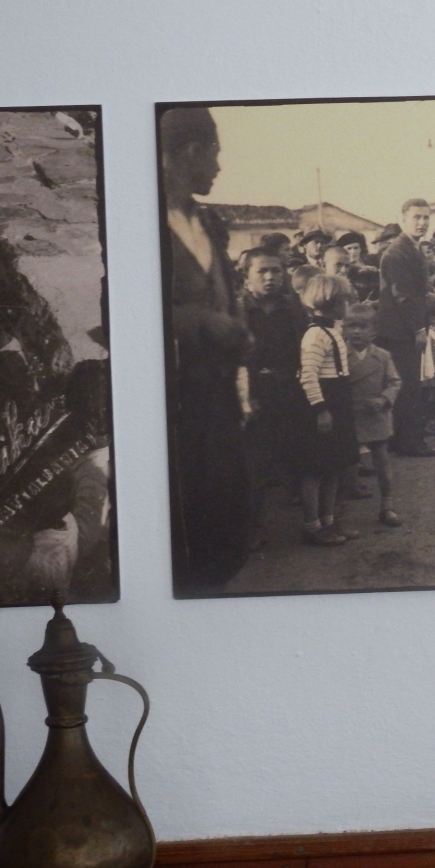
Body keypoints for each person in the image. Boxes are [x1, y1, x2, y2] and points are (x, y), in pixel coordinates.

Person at [159, 106, 252, 585]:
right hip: (173, 403)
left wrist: (237, 329)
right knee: (186, 526)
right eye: (215, 154)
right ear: (192, 151)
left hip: (217, 398)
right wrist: (197, 322)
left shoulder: (207, 222)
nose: (218, 166)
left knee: (227, 524)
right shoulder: (140, 221)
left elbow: (226, 290)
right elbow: (120, 314)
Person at [237, 247, 310, 548]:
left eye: (276, 271)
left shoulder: (294, 310)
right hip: (251, 396)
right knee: (253, 465)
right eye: (262, 271)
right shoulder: (238, 311)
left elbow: (304, 352)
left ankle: (311, 521)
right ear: (246, 278)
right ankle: (251, 528)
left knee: (298, 456)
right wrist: (245, 398)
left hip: (289, 391)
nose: (270, 277)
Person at [298, 272, 360, 546]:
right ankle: (313, 525)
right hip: (325, 402)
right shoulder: (315, 335)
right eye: (344, 300)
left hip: (339, 399)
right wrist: (321, 409)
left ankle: (330, 520)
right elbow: (308, 375)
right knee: (316, 468)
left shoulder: (332, 330)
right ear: (334, 302)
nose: (346, 305)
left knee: (335, 466)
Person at [377, 199, 435, 456]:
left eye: (426, 217)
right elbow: (403, 296)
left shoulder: (412, 249)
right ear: (403, 219)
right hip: (399, 330)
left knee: (407, 384)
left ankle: (403, 438)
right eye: (417, 217)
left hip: (404, 328)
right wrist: (418, 329)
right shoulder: (397, 253)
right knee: (406, 386)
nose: (422, 222)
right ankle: (408, 442)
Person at [342, 303, 403, 527]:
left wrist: (383, 399)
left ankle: (387, 505)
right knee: (346, 465)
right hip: (350, 415)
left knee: (382, 462)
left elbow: (394, 382)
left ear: (374, 331)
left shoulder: (383, 356)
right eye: (351, 326)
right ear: (343, 329)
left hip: (376, 415)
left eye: (363, 326)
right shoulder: (339, 354)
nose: (356, 331)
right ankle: (338, 513)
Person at [336, 231, 380, 302]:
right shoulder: (343, 267)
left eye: (356, 248)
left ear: (360, 249)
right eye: (349, 248)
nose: (353, 252)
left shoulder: (371, 260)